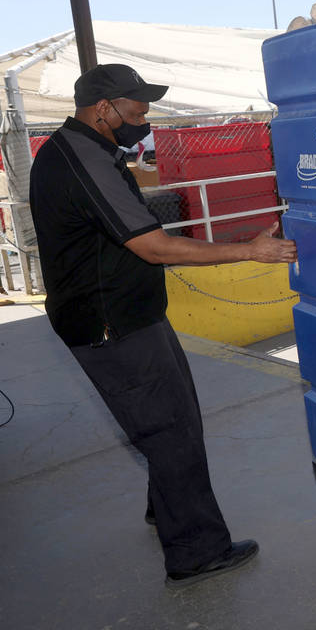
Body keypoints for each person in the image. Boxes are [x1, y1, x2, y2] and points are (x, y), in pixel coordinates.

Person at [28, 63, 298, 589]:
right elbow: (151, 246)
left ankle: (166, 507)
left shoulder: (83, 148)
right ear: (102, 110)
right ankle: (196, 550)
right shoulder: (82, 159)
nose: (143, 124)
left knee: (173, 416)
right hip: (112, 324)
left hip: (125, 313)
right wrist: (249, 250)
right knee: (170, 430)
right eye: (134, 113)